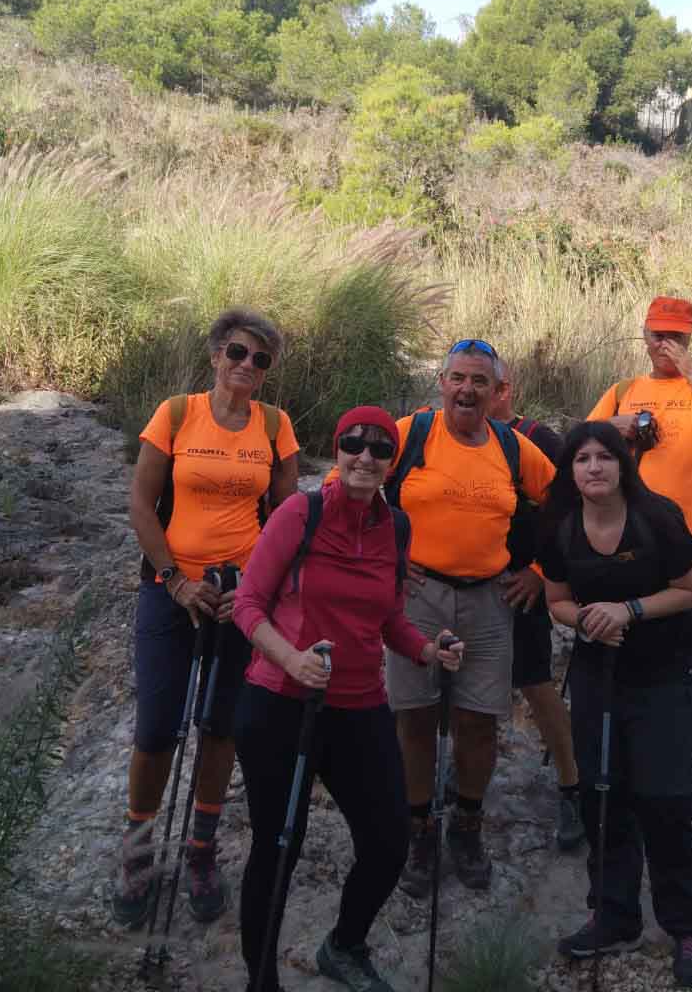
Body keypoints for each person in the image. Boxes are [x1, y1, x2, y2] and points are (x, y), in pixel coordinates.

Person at [232, 406, 465, 992]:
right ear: (336, 451)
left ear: (392, 462)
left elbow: (388, 618)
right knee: (279, 846)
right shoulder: (300, 513)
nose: (366, 456)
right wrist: (291, 659)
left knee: (388, 841)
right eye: (353, 444)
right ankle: (261, 979)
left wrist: (427, 650)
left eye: (381, 448)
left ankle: (344, 945)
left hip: (359, 704)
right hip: (280, 700)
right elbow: (248, 605)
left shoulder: (397, 528)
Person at [116, 309, 301, 929]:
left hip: (239, 596)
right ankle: (137, 852)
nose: (247, 365)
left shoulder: (274, 426)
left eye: (260, 359)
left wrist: (253, 588)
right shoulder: (176, 414)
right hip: (170, 589)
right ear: (216, 355)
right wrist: (175, 581)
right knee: (156, 728)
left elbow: (286, 517)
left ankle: (201, 848)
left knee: (222, 727)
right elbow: (141, 503)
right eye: (238, 353)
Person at [540, 421, 692, 988]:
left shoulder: (657, 516)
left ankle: (687, 926)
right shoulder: (562, 527)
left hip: (664, 676)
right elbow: (557, 600)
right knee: (602, 796)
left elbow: (690, 590)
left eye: (604, 457)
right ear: (570, 470)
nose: (593, 467)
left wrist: (628, 610)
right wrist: (588, 620)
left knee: (665, 801)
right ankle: (614, 916)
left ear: (623, 464)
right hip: (599, 676)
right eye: (582, 459)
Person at [385, 339, 557, 896]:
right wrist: (385, 562)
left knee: (479, 720)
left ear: (496, 390)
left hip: (489, 600)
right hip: (419, 595)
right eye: (458, 378)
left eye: (479, 381)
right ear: (441, 383)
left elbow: (566, 499)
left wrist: (540, 570)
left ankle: (467, 822)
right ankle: (417, 829)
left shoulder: (511, 446)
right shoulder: (410, 433)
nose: (467, 389)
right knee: (414, 716)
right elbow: (348, 486)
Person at [588, 296, 692, 659]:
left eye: (677, 337)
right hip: (622, 536)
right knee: (621, 642)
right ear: (644, 335)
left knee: (684, 646)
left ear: (689, 339)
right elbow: (579, 445)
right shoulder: (624, 390)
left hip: (685, 538)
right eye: (659, 336)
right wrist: (613, 426)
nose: (666, 346)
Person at [492, 358, 583, 851]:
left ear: (506, 388)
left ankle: (572, 785)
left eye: (488, 384)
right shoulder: (450, 436)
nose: (477, 394)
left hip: (521, 583)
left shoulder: (537, 439)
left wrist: (542, 573)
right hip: (467, 585)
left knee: (535, 683)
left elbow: (575, 508)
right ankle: (459, 774)